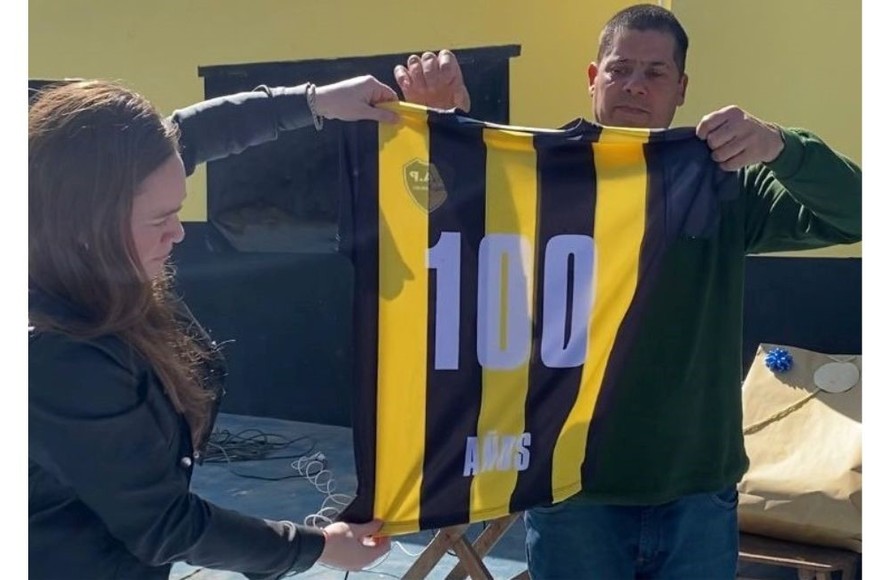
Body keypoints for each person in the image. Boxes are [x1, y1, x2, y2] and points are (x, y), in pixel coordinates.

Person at [393, 5, 861, 580]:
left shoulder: (725, 180)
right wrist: (442, 131)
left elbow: (854, 213)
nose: (635, 84)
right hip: (573, 492)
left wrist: (781, 146)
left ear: (682, 87)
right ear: (594, 78)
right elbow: (439, 226)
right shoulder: (540, 172)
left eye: (656, 72)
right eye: (620, 69)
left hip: (696, 493)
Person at [29, 75, 401, 579]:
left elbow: (191, 133)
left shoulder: (85, 229)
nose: (178, 232)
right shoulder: (60, 356)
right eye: (161, 218)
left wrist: (315, 101)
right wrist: (318, 548)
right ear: (85, 222)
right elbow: (165, 526)